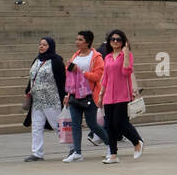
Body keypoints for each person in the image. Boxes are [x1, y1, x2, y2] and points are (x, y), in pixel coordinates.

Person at [61, 30, 109, 162]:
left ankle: (110, 146)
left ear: (87, 42)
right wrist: (67, 94)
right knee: (75, 124)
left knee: (92, 124)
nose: (77, 42)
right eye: (77, 39)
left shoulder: (96, 57)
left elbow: (98, 76)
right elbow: (70, 76)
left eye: (80, 40)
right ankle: (77, 152)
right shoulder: (75, 55)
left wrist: (81, 72)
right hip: (75, 95)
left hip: (90, 95)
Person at [98, 29, 144, 163]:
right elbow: (105, 77)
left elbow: (126, 72)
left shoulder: (127, 55)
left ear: (123, 42)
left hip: (122, 94)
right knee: (109, 125)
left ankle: (137, 142)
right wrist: (101, 95)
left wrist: (125, 54)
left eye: (118, 39)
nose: (115, 41)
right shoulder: (107, 57)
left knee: (119, 123)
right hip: (108, 95)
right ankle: (113, 154)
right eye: (113, 39)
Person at [24, 36, 66, 161]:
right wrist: (28, 90)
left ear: (51, 47)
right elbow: (32, 76)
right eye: (40, 44)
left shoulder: (56, 60)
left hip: (51, 100)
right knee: (36, 126)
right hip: (37, 100)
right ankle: (37, 153)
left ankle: (73, 148)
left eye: (45, 45)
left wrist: (64, 96)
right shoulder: (37, 60)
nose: (41, 47)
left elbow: (62, 80)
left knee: (57, 125)